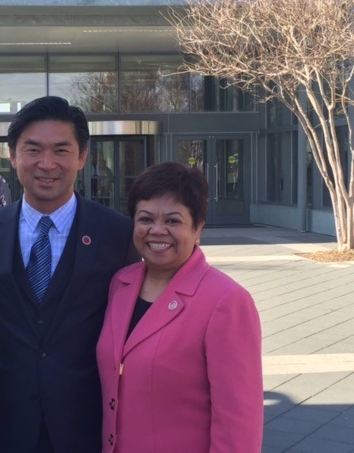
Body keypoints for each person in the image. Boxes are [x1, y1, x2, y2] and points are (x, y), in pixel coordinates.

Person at [0, 96, 136, 453]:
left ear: (82, 157)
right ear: (13, 157)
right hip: (3, 428)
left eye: (61, 150)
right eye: (33, 150)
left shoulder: (118, 234)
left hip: (86, 428)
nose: (47, 164)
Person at [96, 162, 263, 453]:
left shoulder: (226, 302)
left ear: (198, 227)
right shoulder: (121, 284)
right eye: (145, 219)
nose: (156, 231)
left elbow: (239, 426)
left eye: (173, 221)